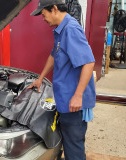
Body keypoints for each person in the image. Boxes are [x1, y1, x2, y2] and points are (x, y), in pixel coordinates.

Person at [28, 0, 96, 159]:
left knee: (73, 148)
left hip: (74, 103)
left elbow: (89, 62)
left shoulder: (71, 29)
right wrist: (40, 78)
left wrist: (78, 95)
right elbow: (54, 55)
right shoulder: (61, 29)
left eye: (44, 14)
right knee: (67, 143)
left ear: (54, 8)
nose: (43, 19)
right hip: (65, 99)